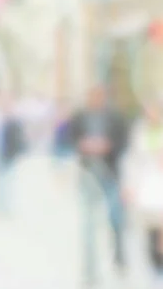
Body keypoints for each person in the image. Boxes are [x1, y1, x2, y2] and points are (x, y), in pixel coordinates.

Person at [69, 84, 128, 285]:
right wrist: (83, 145)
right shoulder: (80, 117)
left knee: (115, 218)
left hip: (109, 174)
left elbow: (123, 142)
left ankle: (119, 256)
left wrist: (107, 146)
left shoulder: (115, 118)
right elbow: (70, 138)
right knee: (88, 224)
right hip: (87, 175)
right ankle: (90, 269)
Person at [123, 100, 163, 282]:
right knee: (150, 230)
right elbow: (133, 160)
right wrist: (129, 185)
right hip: (147, 186)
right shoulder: (139, 132)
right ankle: (155, 268)